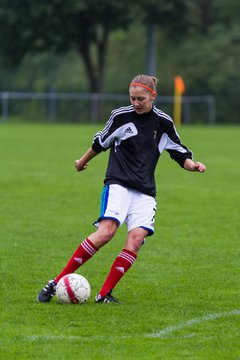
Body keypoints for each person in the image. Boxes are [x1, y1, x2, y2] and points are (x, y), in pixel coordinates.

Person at [38, 74, 206, 304]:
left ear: (152, 96)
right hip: (118, 183)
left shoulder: (163, 123)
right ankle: (56, 281)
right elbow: (101, 142)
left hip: (145, 191)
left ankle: (104, 293)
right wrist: (81, 161)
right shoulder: (120, 116)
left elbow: (180, 152)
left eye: (140, 99)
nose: (135, 103)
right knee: (107, 232)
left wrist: (193, 166)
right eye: (132, 98)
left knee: (136, 240)